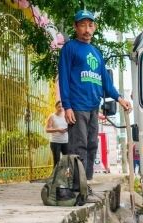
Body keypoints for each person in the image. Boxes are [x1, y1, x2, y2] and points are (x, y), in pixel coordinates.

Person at [58, 10, 131, 181]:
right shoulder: (70, 48)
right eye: (82, 25)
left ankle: (86, 183)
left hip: (93, 107)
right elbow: (64, 78)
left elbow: (105, 81)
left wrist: (120, 99)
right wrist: (67, 106)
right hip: (77, 106)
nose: (87, 29)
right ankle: (78, 186)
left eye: (90, 25)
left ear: (95, 28)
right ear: (76, 27)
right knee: (79, 146)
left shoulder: (97, 53)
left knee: (92, 145)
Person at [45, 101, 69, 167]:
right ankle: (56, 176)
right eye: (59, 107)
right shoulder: (52, 116)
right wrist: (58, 130)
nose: (61, 108)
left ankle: (67, 176)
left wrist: (67, 130)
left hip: (65, 141)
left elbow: (71, 127)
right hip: (55, 142)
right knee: (56, 161)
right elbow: (47, 130)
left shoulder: (66, 115)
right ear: (56, 107)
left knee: (67, 161)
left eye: (62, 107)